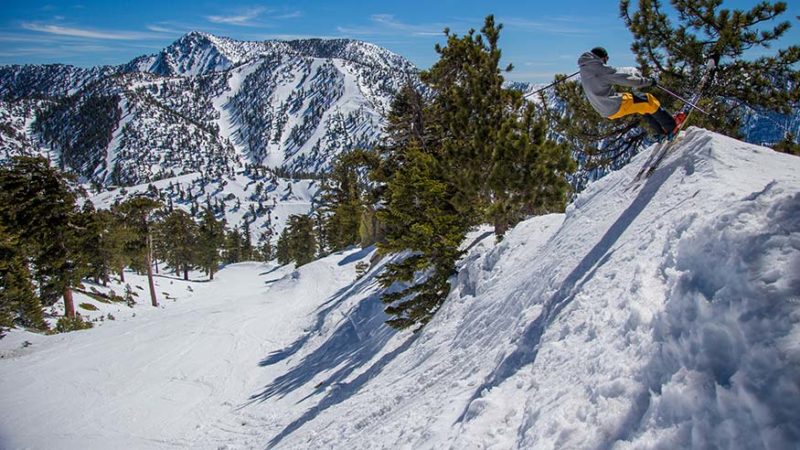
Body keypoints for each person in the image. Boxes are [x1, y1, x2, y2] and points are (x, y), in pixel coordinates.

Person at [578, 47, 683, 140]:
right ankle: (671, 127)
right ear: (602, 57)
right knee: (649, 100)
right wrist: (648, 81)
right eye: (607, 58)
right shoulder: (600, 70)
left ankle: (660, 132)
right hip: (613, 104)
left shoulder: (585, 69)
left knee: (640, 105)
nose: (607, 61)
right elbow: (627, 80)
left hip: (604, 108)